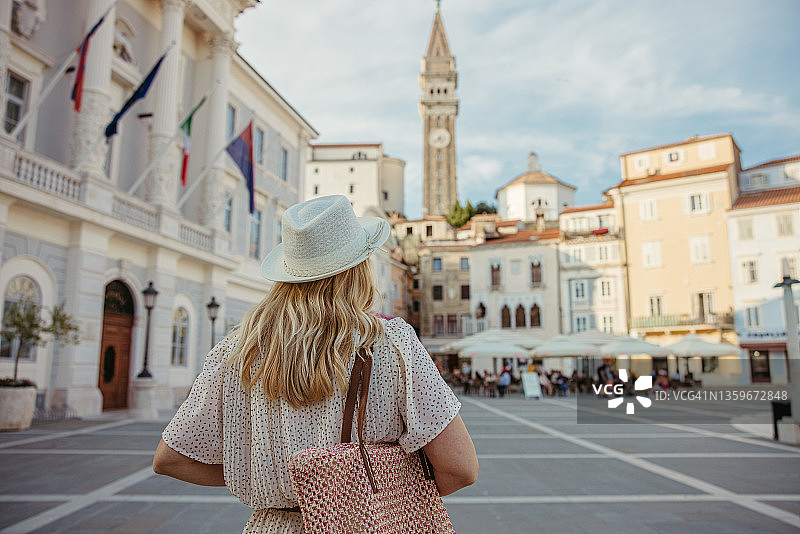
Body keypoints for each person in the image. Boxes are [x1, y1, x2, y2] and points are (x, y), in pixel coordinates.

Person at [152, 195, 479, 534]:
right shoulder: (391, 345)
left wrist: (265, 475)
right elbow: (461, 468)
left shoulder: (235, 353)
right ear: (358, 268)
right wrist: (359, 492)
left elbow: (171, 458)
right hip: (361, 524)